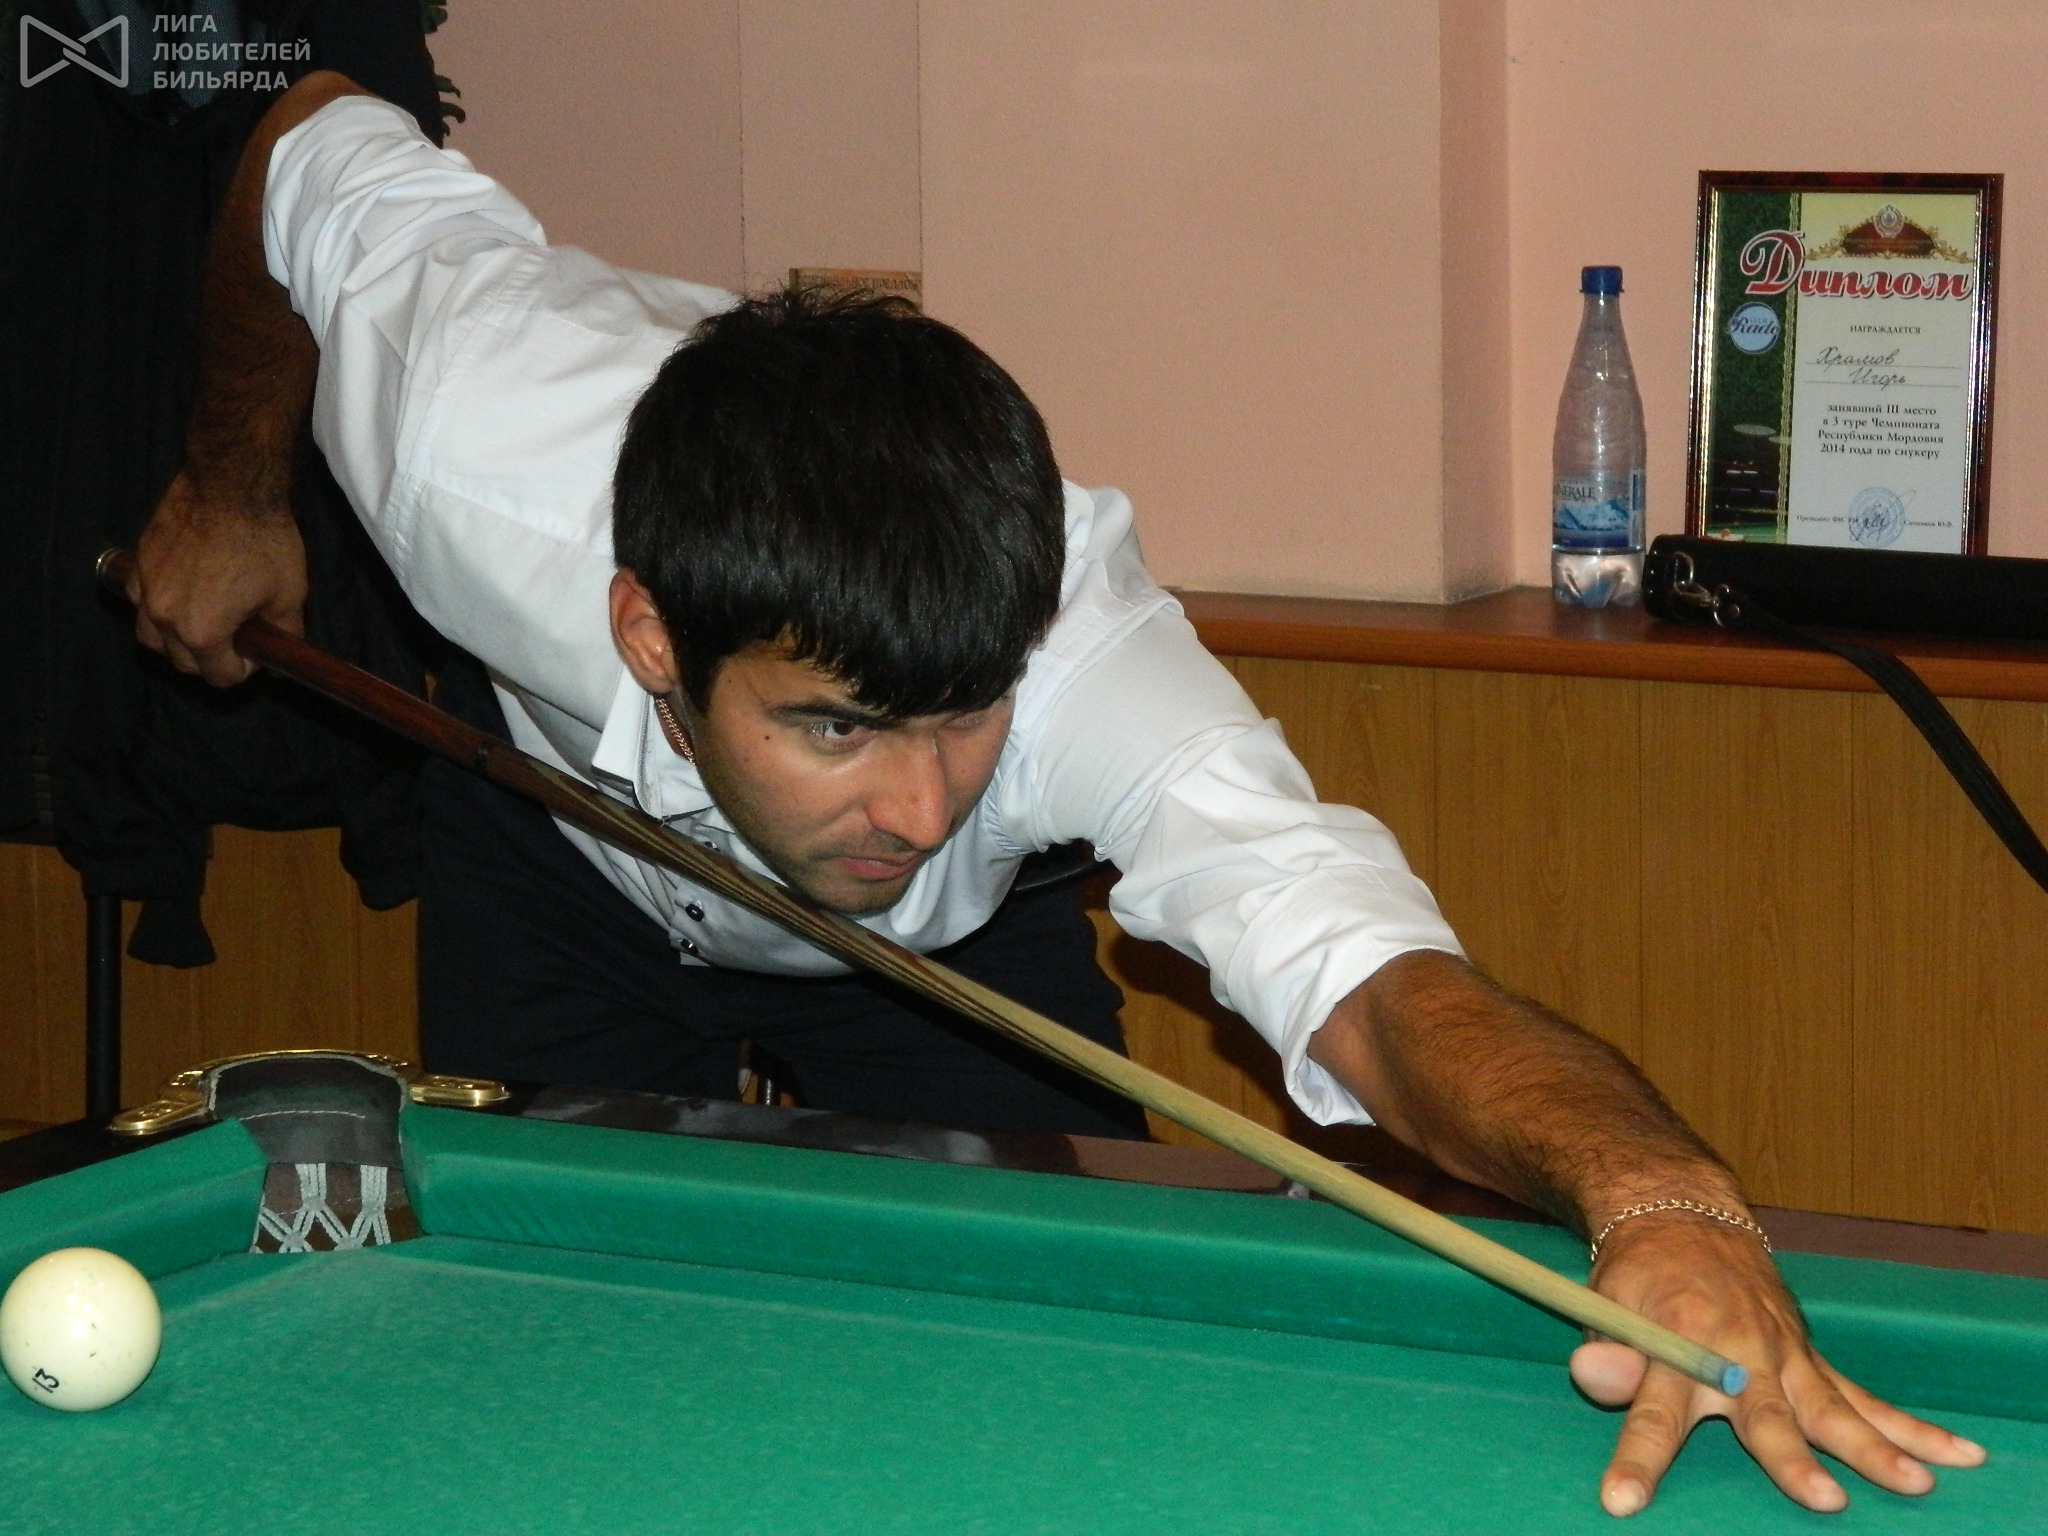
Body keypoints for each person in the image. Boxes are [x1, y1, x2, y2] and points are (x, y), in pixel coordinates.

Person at [130, 70, 1983, 1518]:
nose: (920, 804)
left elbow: (1371, 981)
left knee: (1051, 1361)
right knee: (541, 1360)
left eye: (967, 721)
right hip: (567, 873)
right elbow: (308, 140)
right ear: (649, 636)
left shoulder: (1090, 667)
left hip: (956, 969)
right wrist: (233, 487)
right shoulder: (473, 448)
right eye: (839, 729)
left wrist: (1663, 1196)